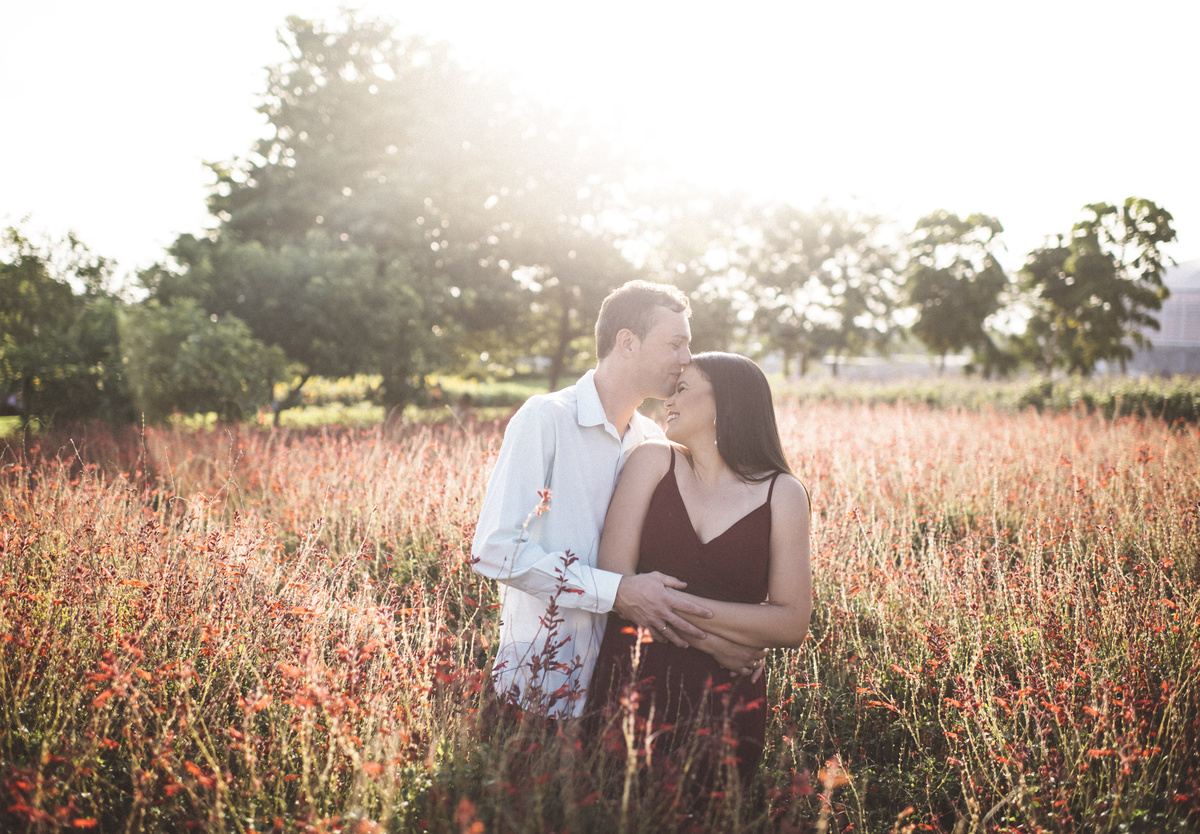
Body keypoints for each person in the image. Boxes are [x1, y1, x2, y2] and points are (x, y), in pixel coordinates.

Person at [472, 281, 766, 720]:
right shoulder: (546, 419)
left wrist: (716, 643)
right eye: (675, 344)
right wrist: (615, 592)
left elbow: (655, 584)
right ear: (627, 342)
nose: (686, 358)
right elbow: (495, 550)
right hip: (538, 685)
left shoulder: (654, 443)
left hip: (625, 692)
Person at [585, 351, 812, 787]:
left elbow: (791, 623)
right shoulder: (652, 461)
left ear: (725, 401)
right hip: (633, 681)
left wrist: (663, 603)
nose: (668, 399)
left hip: (724, 702)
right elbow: (616, 579)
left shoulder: (783, 493)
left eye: (683, 388)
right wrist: (715, 643)